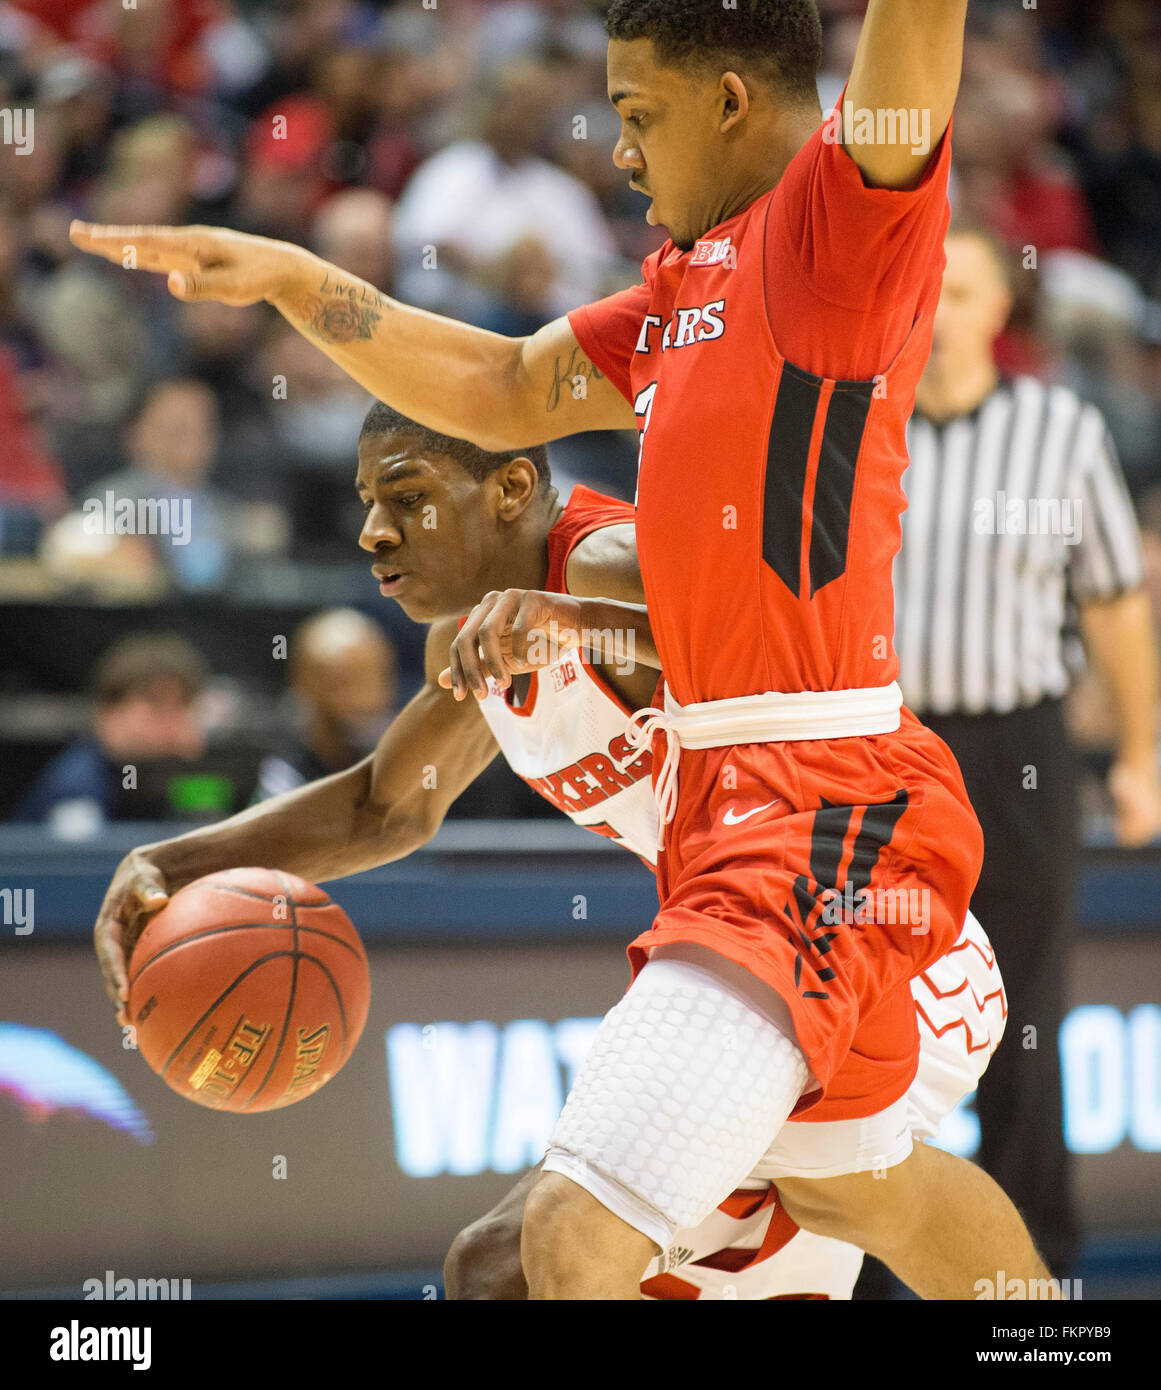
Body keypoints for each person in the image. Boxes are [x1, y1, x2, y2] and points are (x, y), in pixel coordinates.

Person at [71, 0, 1052, 1300]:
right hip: (757, 838)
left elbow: (654, 571)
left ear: (727, 103)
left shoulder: (833, 235)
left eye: (638, 113)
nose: (619, 151)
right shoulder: (677, 292)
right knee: (834, 1192)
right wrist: (295, 281)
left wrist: (576, 614)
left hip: (825, 829)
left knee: (558, 1248)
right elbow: (498, 391)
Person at [91, 403, 1006, 1300]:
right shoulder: (472, 635)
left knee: (509, 1267)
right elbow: (384, 808)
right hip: (774, 955)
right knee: (544, 1263)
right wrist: (174, 867)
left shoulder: (607, 561)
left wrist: (582, 624)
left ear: (512, 489)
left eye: (408, 500)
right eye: (368, 501)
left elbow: (786, 650)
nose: (373, 532)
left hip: (876, 946)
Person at [890, 222, 1161, 1278]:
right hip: (884, 757)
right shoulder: (860, 427)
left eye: (962, 293)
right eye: (925, 291)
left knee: (1024, 1016)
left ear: (1002, 311)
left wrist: (1140, 753)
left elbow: (1113, 606)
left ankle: (1028, 1273)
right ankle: (867, 1267)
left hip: (1017, 753)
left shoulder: (1060, 430)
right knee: (870, 1014)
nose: (942, 311)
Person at [13, 632, 207, 836]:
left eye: (184, 704)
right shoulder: (79, 782)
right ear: (107, 711)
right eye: (157, 704)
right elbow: (84, 859)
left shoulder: (140, 772)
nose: (173, 719)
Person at [252, 607, 397, 801]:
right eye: (342, 683)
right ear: (302, 683)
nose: (361, 700)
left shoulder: (411, 760)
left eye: (373, 679)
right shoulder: (281, 773)